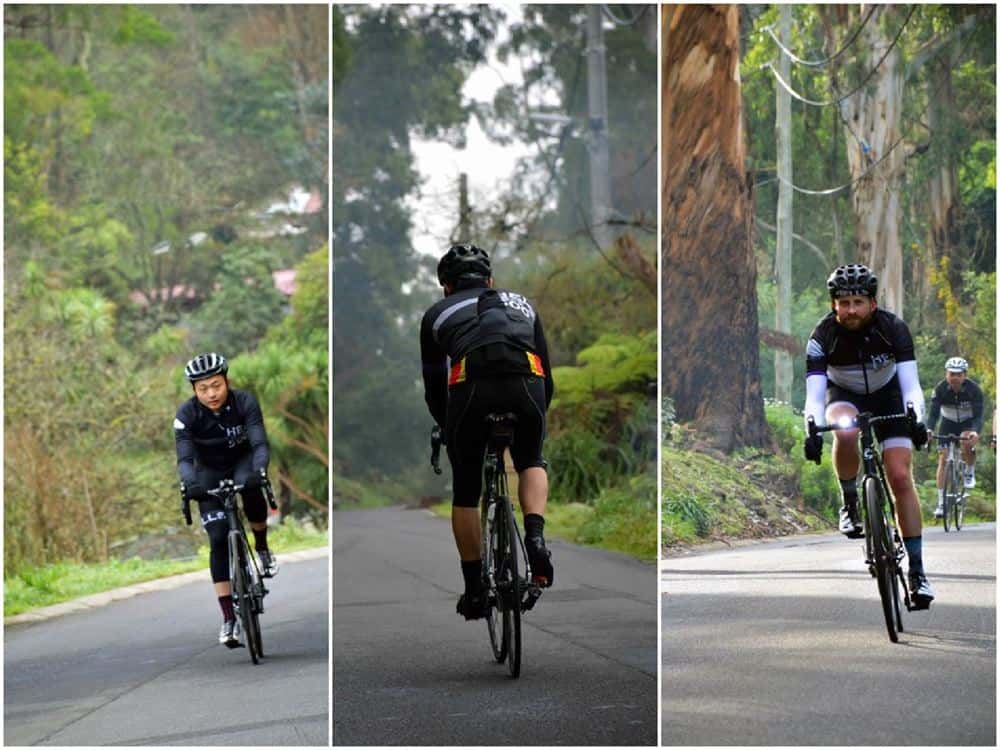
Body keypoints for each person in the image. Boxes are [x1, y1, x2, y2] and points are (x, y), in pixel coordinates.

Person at [420, 243, 555, 620]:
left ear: (446, 286)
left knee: (466, 490)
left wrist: (449, 428)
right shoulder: (522, 304)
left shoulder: (435, 314)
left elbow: (434, 386)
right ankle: (535, 537)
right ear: (491, 281)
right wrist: (533, 422)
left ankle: (475, 588)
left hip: (471, 389)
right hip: (528, 384)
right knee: (531, 460)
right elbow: (548, 373)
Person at [802, 264, 934, 608]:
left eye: (858, 302)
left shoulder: (894, 329)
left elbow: (912, 387)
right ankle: (850, 502)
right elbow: (814, 397)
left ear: (872, 303)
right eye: (843, 303)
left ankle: (917, 571)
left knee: (901, 476)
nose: (850, 310)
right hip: (843, 394)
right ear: (833, 305)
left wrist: (916, 418)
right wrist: (812, 427)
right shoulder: (821, 337)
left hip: (888, 395)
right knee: (845, 430)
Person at [174, 352, 278, 647]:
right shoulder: (185, 416)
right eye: (203, 388)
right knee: (218, 538)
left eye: (216, 385)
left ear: (226, 382)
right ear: (194, 389)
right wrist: (190, 483)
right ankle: (229, 619)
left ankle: (262, 548)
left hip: (242, 461)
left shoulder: (245, 402)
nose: (211, 393)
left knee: (252, 489)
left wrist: (260, 469)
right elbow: (183, 457)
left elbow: (259, 442)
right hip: (207, 472)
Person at [926, 357, 985, 516]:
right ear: (946, 374)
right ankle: (941, 503)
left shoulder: (974, 390)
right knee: (943, 460)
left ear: (965, 375)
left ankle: (969, 470)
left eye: (959, 374)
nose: (955, 378)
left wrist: (975, 431)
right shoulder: (940, 389)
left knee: (966, 442)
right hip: (948, 422)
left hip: (967, 422)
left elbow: (979, 416)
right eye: (952, 374)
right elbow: (933, 415)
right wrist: (929, 430)